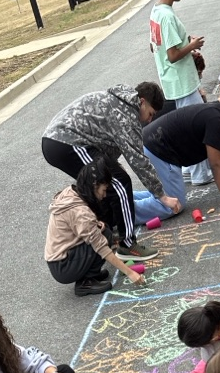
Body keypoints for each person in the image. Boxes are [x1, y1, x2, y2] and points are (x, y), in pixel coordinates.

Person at [41, 82, 181, 261]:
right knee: (120, 183)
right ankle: (128, 245)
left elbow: (105, 140)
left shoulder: (123, 102)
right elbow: (138, 160)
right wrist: (162, 196)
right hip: (65, 142)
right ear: (142, 102)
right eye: (151, 114)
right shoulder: (127, 114)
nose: (149, 120)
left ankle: (106, 233)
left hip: (62, 141)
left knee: (107, 182)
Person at [134, 82, 220, 223]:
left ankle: (124, 199)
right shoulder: (215, 119)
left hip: (152, 144)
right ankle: (120, 211)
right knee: (173, 205)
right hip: (158, 149)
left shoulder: (215, 113)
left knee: (167, 197)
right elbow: (216, 164)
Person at [149, 0, 212, 185]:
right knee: (195, 126)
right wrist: (192, 45)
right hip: (181, 80)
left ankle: (187, 168)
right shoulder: (166, 16)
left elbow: (156, 46)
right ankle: (200, 173)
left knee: (186, 124)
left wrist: (187, 41)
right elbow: (173, 54)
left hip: (171, 80)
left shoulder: (156, 11)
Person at [43, 160, 146, 297]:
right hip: (63, 266)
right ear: (94, 185)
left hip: (62, 259)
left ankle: (90, 274)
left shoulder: (72, 192)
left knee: (104, 231)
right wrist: (130, 272)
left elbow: (77, 225)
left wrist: (96, 224)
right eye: (103, 190)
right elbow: (101, 247)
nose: (104, 195)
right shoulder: (80, 213)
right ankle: (85, 283)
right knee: (104, 237)